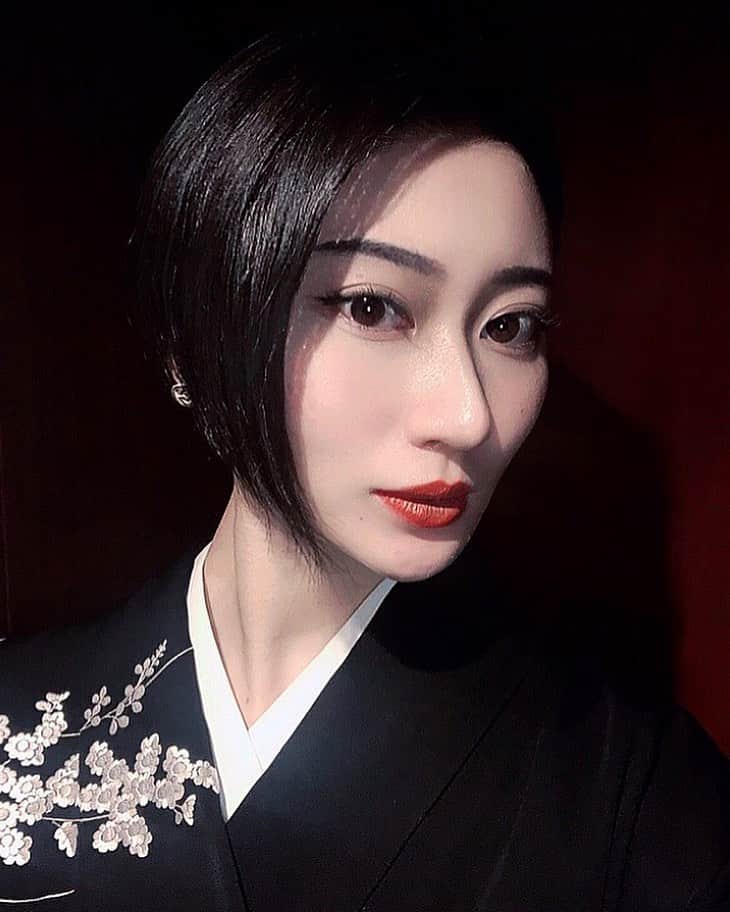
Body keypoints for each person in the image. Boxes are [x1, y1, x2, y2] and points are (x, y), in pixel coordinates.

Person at [1, 19, 728, 911]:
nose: (469, 416)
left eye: (511, 326)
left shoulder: (627, 785)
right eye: (374, 307)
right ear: (190, 338)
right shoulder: (17, 714)